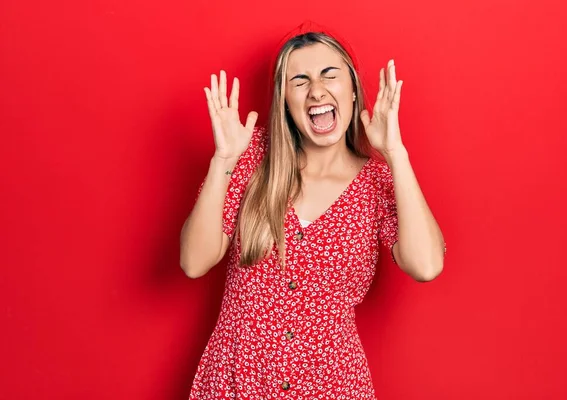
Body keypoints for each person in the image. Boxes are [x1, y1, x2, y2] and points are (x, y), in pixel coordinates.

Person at [180, 21, 446, 399]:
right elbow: (194, 262)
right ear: (285, 101)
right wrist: (223, 158)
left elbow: (427, 265)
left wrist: (395, 154)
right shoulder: (252, 157)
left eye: (329, 75)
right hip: (237, 381)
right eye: (299, 80)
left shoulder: (378, 180)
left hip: (332, 387)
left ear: (353, 91)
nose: (316, 90)